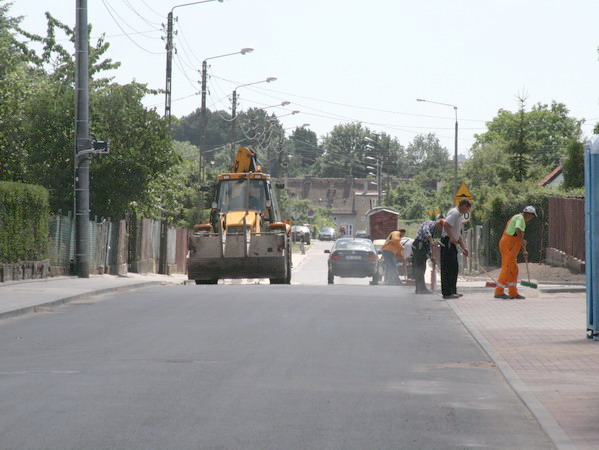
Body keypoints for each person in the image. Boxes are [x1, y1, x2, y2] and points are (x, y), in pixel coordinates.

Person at [494, 206, 537, 299]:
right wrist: (522, 241)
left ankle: (513, 293)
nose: (532, 218)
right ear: (528, 214)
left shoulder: (518, 218)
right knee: (507, 268)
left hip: (510, 246)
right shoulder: (520, 218)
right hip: (508, 245)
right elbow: (517, 230)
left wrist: (523, 249)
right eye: (532, 216)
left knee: (514, 270)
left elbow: (516, 237)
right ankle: (498, 292)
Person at [440, 199, 472, 299]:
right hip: (447, 242)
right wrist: (451, 237)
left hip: (452, 243)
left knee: (454, 267)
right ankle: (447, 293)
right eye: (467, 208)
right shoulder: (454, 213)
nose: (467, 211)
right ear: (463, 206)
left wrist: (464, 247)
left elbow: (458, 234)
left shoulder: (458, 215)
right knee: (448, 268)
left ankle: (453, 290)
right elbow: (445, 224)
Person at [412, 218, 444, 294]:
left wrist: (431, 256)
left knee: (422, 267)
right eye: (441, 228)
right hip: (419, 244)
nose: (441, 230)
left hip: (423, 245)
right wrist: (431, 240)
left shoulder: (433, 230)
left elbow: (429, 245)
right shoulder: (430, 224)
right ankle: (420, 288)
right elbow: (425, 231)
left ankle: (420, 288)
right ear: (439, 223)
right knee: (420, 266)